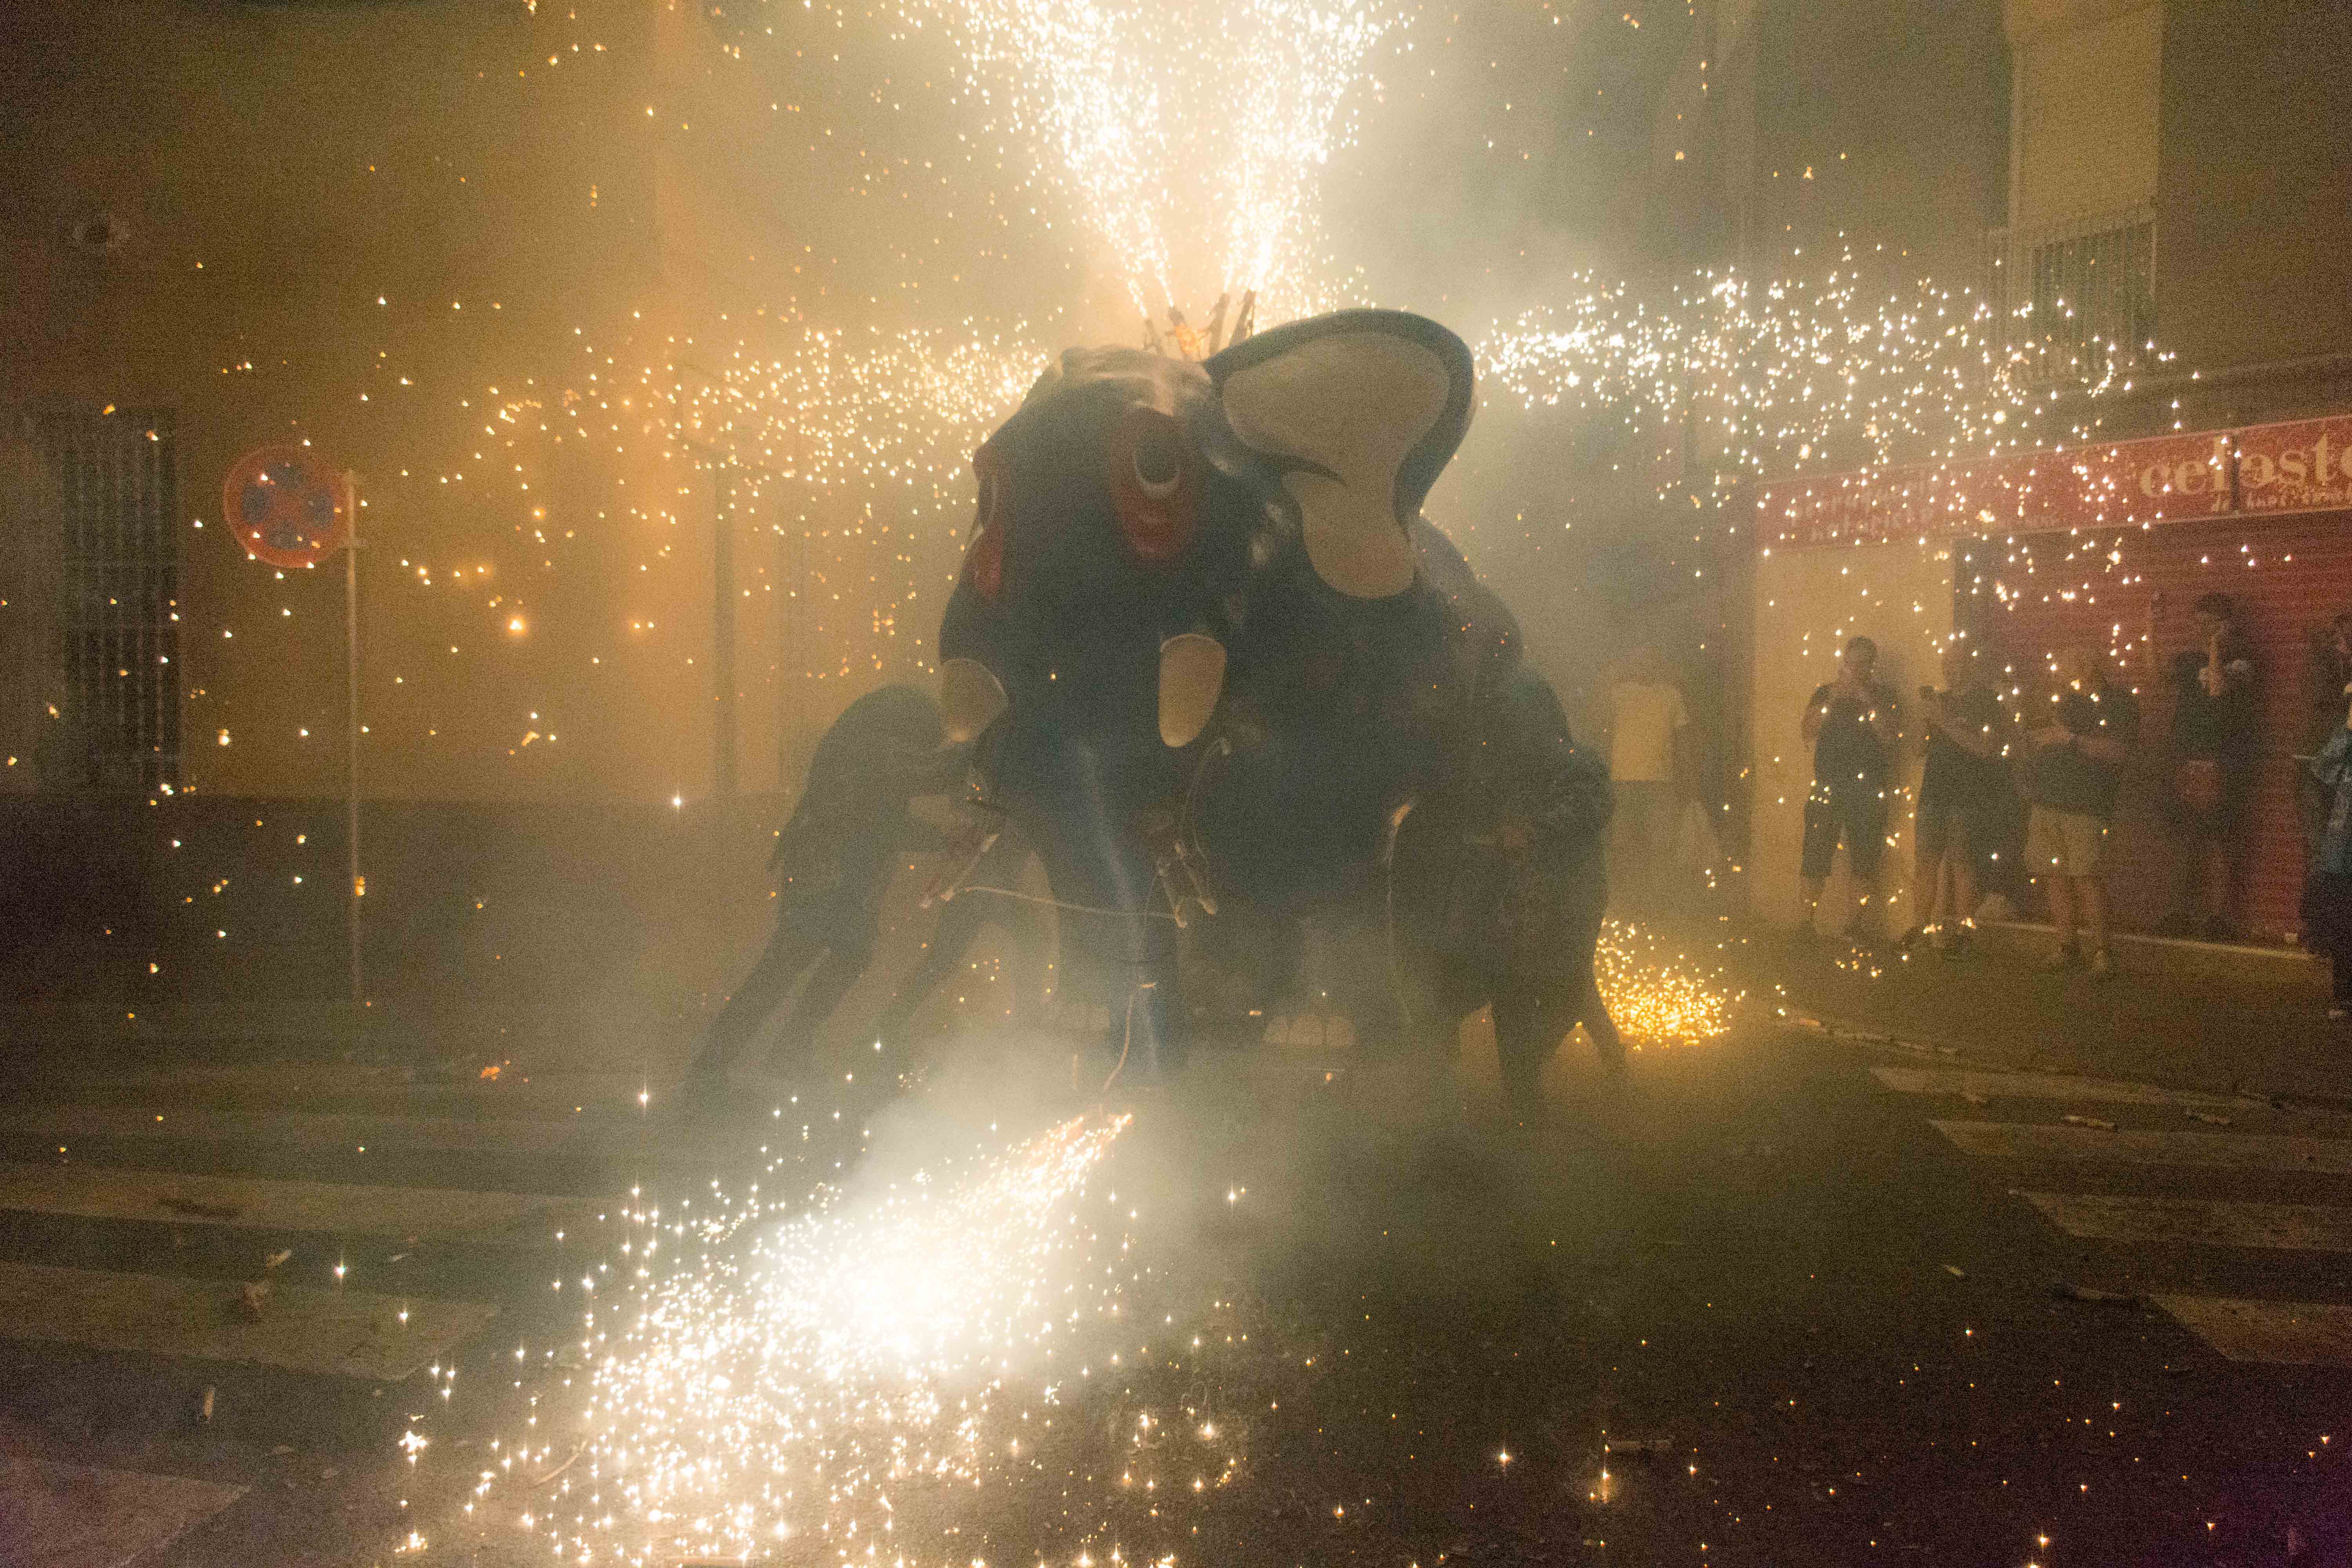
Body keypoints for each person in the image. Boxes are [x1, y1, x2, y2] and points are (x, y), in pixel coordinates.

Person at [679, 686, 961, 1107]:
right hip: (828, 867)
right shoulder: (878, 754)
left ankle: (762, 1058)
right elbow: (888, 817)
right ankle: (727, 1065)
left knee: (819, 957)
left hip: (831, 866)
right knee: (796, 960)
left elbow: (898, 800)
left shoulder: (870, 745)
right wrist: (946, 834)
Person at [2021, 647, 2139, 978]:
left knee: (2086, 876)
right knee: (2053, 876)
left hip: (2087, 806)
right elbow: (2040, 740)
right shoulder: (2065, 702)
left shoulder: (2117, 703)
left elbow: (2119, 752)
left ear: (2092, 666)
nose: (2064, 674)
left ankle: (2102, 951)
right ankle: (2067, 946)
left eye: (2072, 667)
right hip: (2048, 802)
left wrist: (2069, 739)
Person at [2159, 592, 2258, 941]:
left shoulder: (2242, 661)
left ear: (2227, 626)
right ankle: (2179, 910)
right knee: (2185, 836)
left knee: (2219, 839)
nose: (2204, 630)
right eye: (2200, 623)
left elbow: (2217, 688)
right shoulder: (2187, 660)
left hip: (2224, 759)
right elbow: (2156, 675)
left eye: (2212, 624)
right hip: (2186, 755)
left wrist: (2216, 648)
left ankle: (2219, 916)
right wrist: (2152, 626)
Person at [1904, 643, 2004, 957]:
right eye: (1946, 663)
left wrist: (1944, 720)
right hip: (1934, 793)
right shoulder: (1941, 700)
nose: (1950, 670)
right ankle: (1921, 927)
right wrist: (1925, 719)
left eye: (1956, 663)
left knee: (1963, 864)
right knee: (1926, 864)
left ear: (1970, 666)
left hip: (1968, 796)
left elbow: (1986, 747)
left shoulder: (1986, 701)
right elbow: (1919, 749)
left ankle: (1964, 931)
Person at [1799, 636, 1900, 938]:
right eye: (1850, 662)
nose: (1854, 669)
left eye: (1861, 664)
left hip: (1868, 788)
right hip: (1828, 785)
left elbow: (1890, 737)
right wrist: (1832, 699)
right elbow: (1807, 731)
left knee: (1865, 857)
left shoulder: (1883, 694)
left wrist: (1867, 699)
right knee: (1815, 854)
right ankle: (1806, 922)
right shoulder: (1825, 693)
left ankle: (1857, 924)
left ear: (1871, 666)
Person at [1604, 644, 1689, 909]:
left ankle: (1658, 901)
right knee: (1623, 841)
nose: (1645, 665)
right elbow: (1601, 730)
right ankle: (1627, 899)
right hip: (1623, 779)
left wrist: (1687, 779)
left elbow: (1684, 738)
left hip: (1660, 780)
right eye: (1639, 660)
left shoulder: (1671, 696)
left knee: (1661, 843)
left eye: (1650, 660)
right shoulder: (1618, 695)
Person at [2302, 690, 2352, 1022]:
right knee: (2343, 923)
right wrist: (2348, 727)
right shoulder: (2346, 744)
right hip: (2342, 848)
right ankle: (2344, 994)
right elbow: (2322, 768)